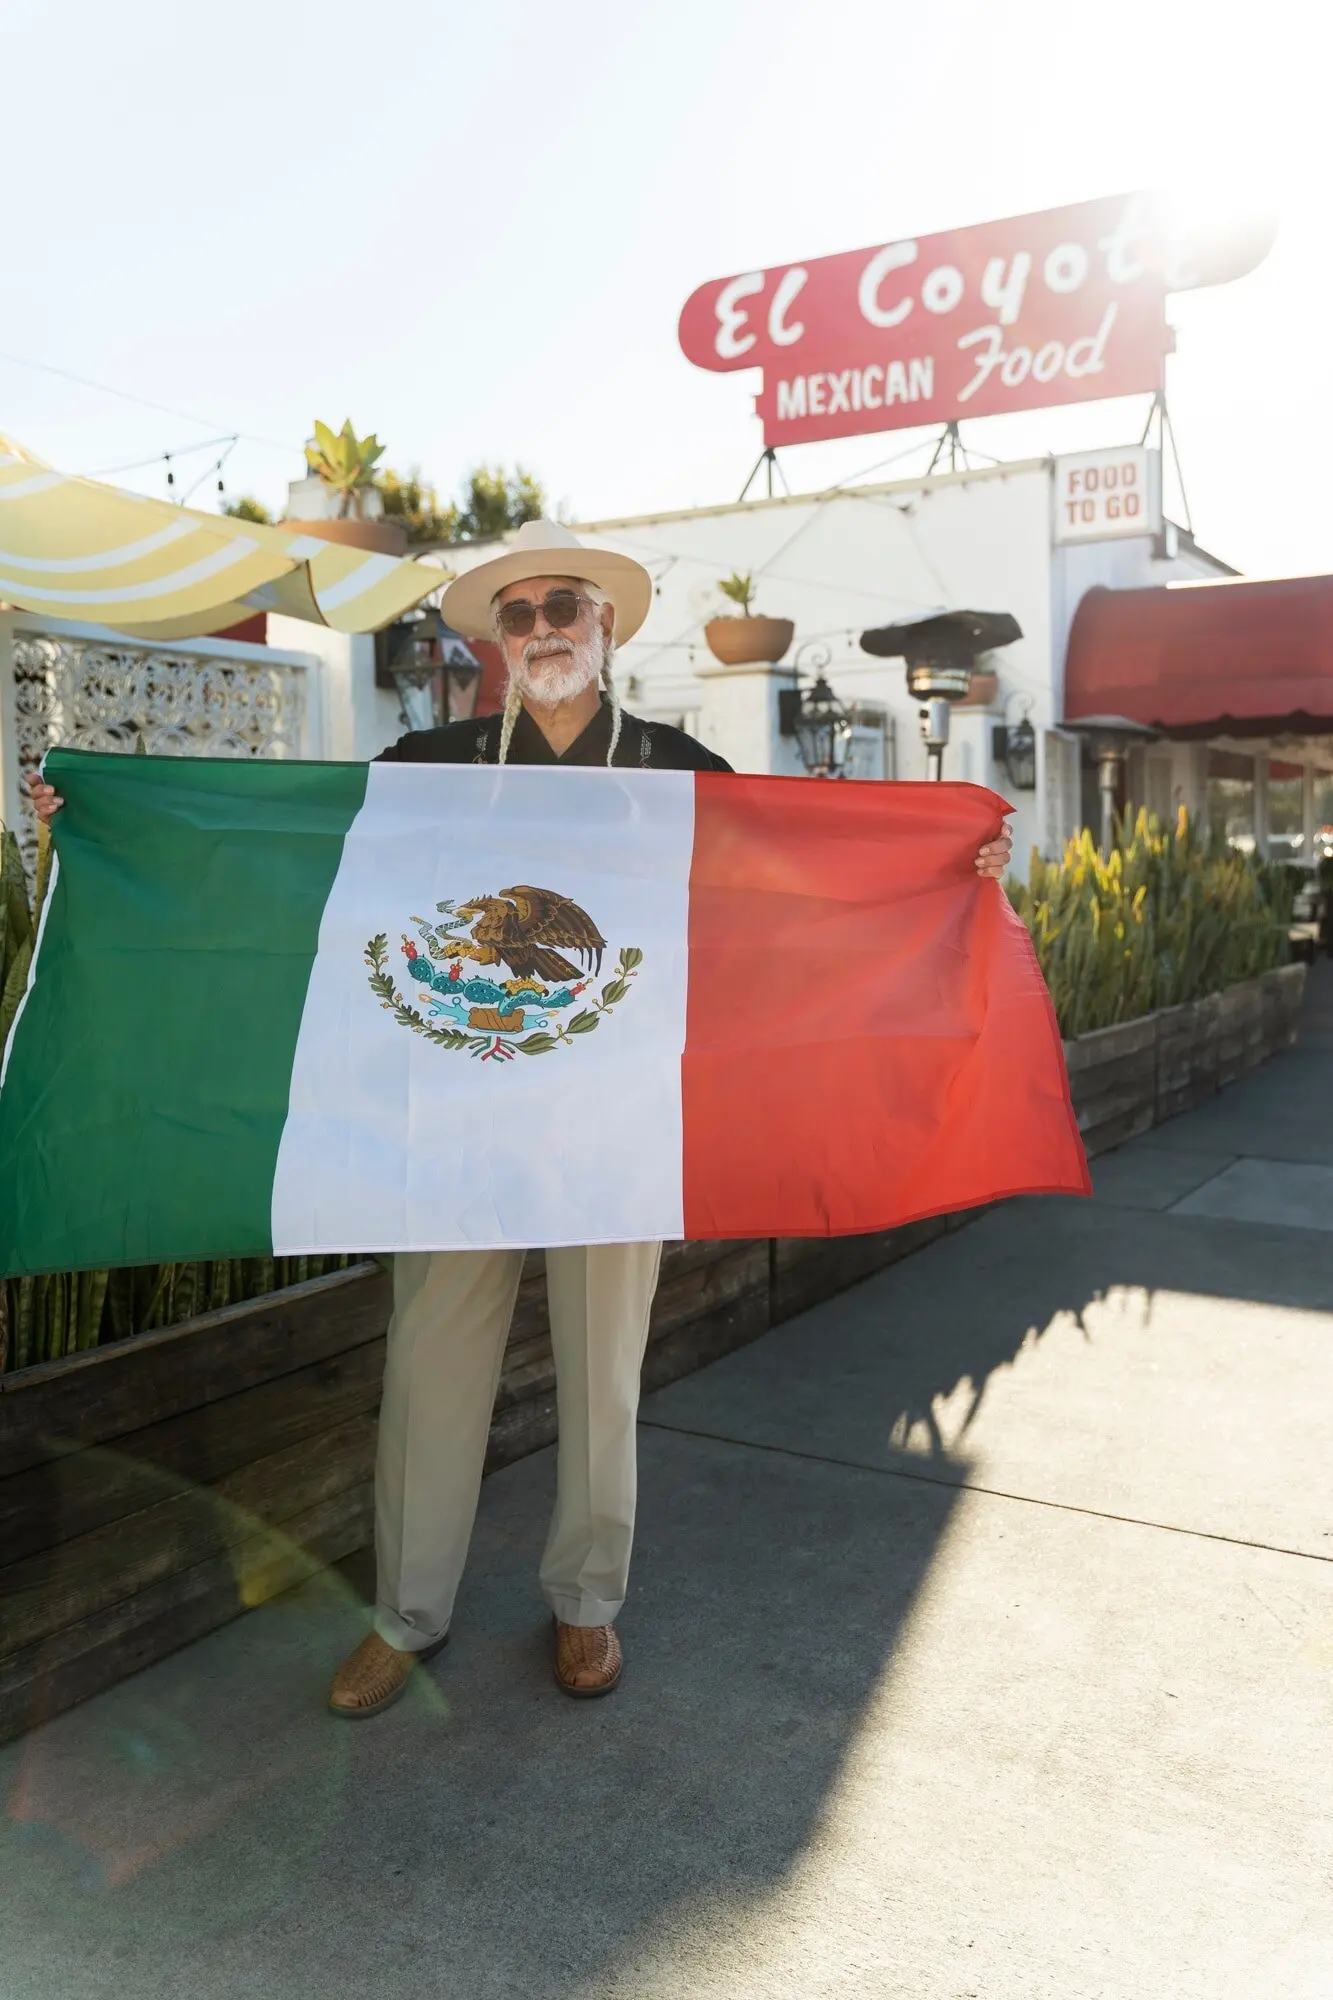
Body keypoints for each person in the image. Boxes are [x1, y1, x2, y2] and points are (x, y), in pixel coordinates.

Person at [27, 518, 1012, 1712]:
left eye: (566, 607)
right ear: (499, 639)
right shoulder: (423, 766)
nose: (544, 628)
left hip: (617, 1130)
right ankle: (406, 1614)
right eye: (521, 613)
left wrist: (944, 866)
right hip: (450, 1128)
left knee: (603, 1379)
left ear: (604, 628)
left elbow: (799, 895)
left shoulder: (676, 769)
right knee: (428, 1366)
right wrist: (96, 819)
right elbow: (284, 864)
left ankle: (590, 1605)